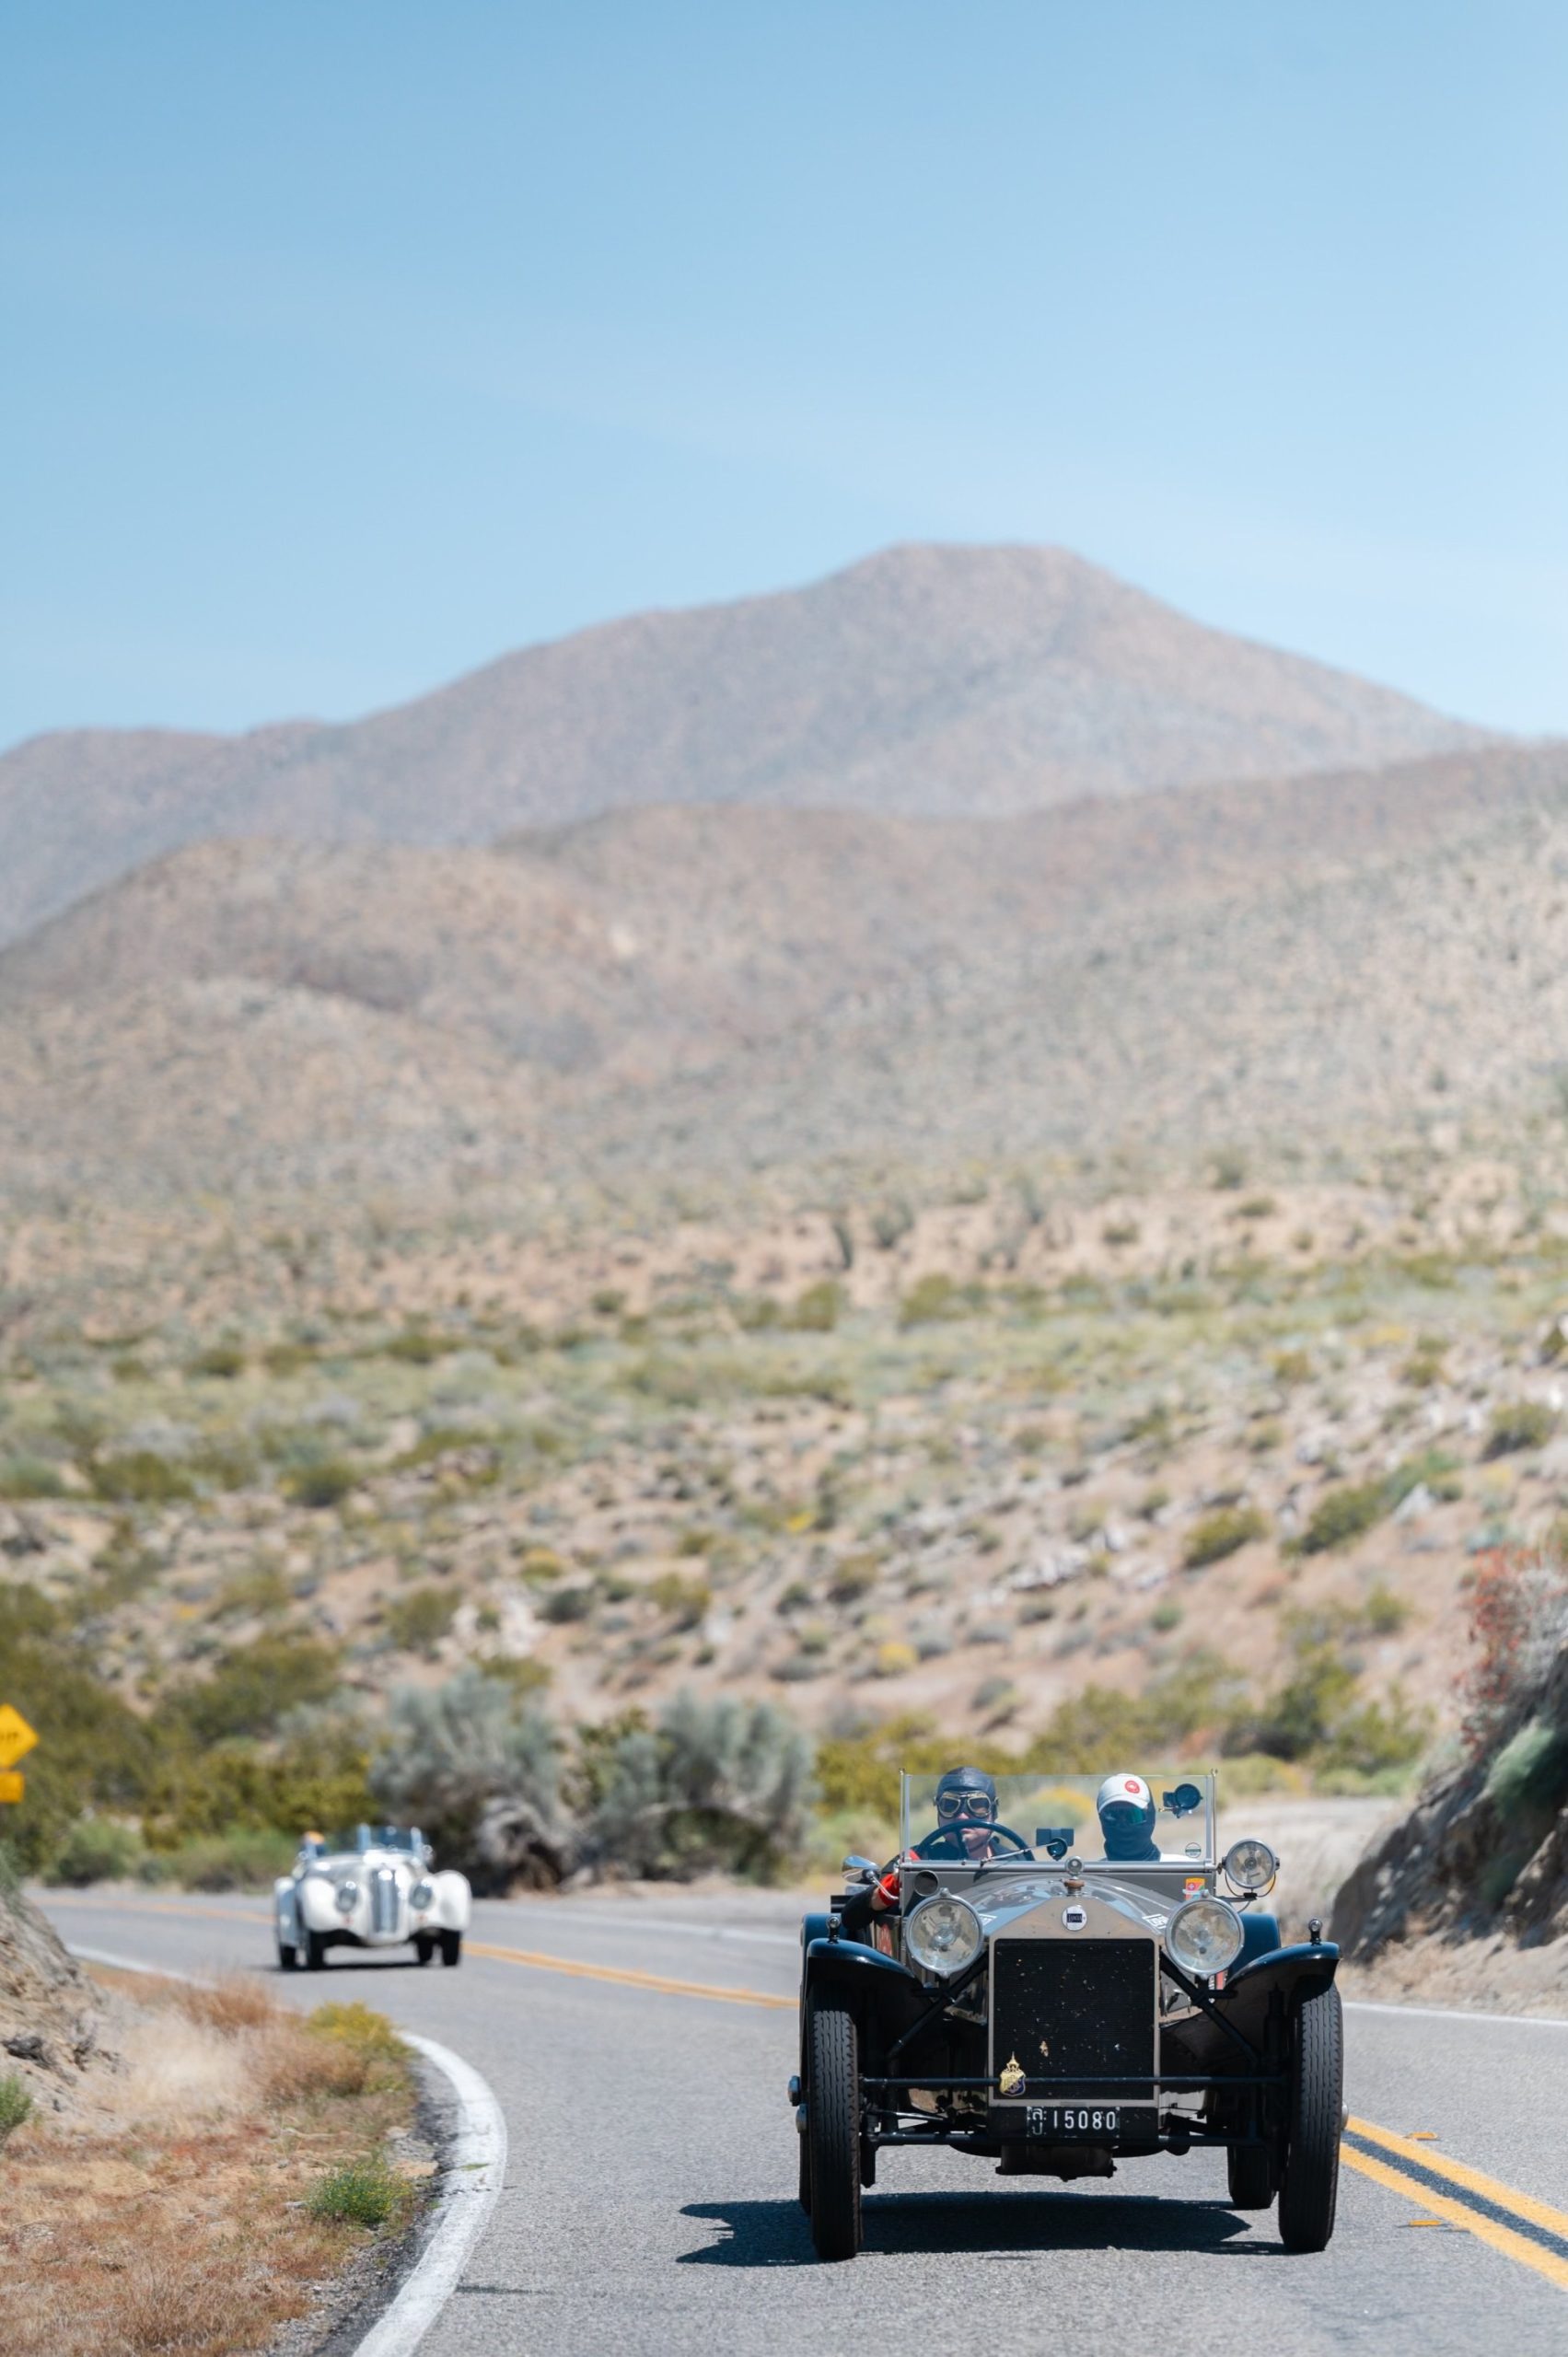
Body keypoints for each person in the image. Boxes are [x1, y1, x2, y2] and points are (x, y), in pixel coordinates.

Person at [838, 1766, 1007, 1938]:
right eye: (950, 1805)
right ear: (939, 1812)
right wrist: (893, 1887)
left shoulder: (1017, 1860)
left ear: (994, 1811)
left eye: (977, 1805)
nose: (962, 1816)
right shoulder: (916, 1860)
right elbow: (851, 1918)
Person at [1095, 1772, 1162, 1863]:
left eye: (1133, 1815)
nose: (1123, 1824)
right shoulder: (1090, 1873)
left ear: (1151, 1816)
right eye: (1112, 1815)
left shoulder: (1181, 1870)